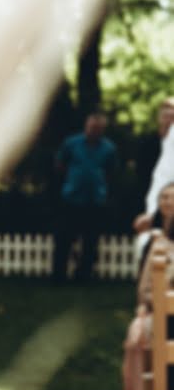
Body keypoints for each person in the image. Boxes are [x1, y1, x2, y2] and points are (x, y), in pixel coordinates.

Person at [123, 184, 174, 390]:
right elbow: (146, 286)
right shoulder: (159, 245)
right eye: (164, 197)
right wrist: (146, 304)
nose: (168, 202)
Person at [52, 112, 117, 283]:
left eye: (98, 128)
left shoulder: (108, 148)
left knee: (90, 241)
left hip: (95, 200)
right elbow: (60, 164)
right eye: (91, 127)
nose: (94, 131)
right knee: (64, 239)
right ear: (86, 126)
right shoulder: (72, 143)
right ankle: (59, 275)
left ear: (102, 130)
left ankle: (83, 275)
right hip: (72, 198)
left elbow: (111, 171)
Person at [134, 97, 174, 234]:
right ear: (159, 118)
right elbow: (142, 173)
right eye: (166, 116)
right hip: (151, 196)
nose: (169, 120)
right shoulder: (148, 143)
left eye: (173, 117)